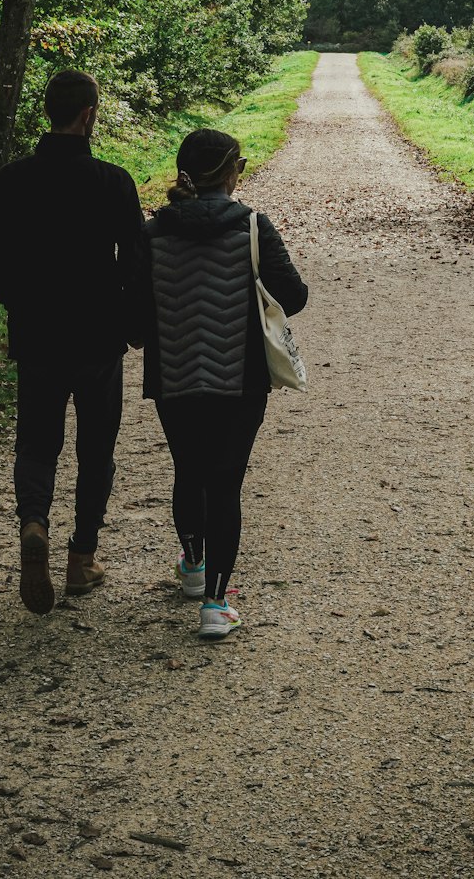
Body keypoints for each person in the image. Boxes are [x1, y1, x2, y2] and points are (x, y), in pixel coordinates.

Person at [0, 70, 144, 615]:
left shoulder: (9, 181)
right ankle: (81, 559)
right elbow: (138, 263)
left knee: (37, 440)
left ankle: (33, 522)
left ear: (48, 112)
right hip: (98, 337)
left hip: (38, 333)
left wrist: (19, 304)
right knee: (97, 449)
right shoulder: (113, 182)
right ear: (89, 114)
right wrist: (133, 322)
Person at [139, 128, 307, 640]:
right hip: (240, 379)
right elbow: (294, 297)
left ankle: (191, 564)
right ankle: (215, 602)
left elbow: (134, 315)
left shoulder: (152, 231)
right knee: (225, 481)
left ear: (184, 172)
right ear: (235, 171)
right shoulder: (254, 226)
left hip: (174, 374)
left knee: (189, 469)